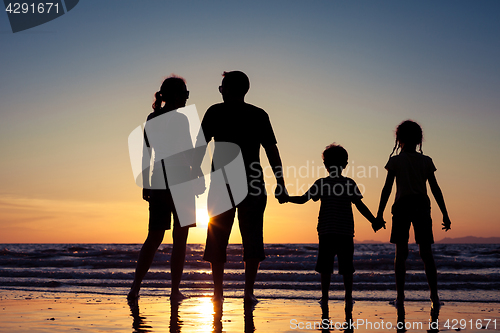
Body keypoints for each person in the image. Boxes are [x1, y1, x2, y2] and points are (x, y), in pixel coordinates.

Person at [194, 71, 287, 304]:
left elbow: (199, 146)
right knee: (253, 237)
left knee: (217, 238)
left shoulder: (215, 111)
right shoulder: (258, 114)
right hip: (253, 182)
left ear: (225, 88)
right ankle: (248, 292)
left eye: (221, 87)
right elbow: (271, 150)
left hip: (222, 181)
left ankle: (218, 292)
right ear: (245, 90)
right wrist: (281, 183)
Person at [281, 143, 385, 317]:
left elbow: (303, 199)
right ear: (345, 164)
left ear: (325, 165)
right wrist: (373, 220)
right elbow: (360, 205)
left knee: (325, 267)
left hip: (326, 232)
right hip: (345, 232)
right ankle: (348, 297)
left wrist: (287, 198)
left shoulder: (322, 183)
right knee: (347, 268)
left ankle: (325, 297)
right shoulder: (349, 183)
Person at [128, 75, 199, 301]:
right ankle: (174, 290)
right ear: (176, 95)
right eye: (185, 93)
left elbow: (145, 154)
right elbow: (187, 151)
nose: (187, 98)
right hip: (180, 178)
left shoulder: (152, 117)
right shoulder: (181, 119)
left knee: (154, 237)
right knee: (180, 240)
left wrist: (146, 184)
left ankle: (135, 288)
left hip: (158, 179)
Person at [376, 120, 451, 309]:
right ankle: (434, 296)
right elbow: (435, 189)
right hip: (421, 206)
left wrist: (379, 214)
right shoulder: (425, 161)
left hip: (402, 206)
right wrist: (445, 213)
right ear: (419, 140)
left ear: (399, 139)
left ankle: (400, 297)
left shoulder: (395, 161)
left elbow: (387, 189)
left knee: (401, 253)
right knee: (426, 253)